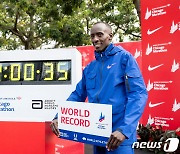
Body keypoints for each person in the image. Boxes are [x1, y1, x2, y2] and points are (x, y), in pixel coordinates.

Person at [50, 22, 148, 154]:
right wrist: (59, 117)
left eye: (99, 34)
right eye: (92, 36)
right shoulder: (90, 67)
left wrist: (124, 130)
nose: (95, 39)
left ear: (110, 36)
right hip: (96, 135)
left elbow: (138, 94)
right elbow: (77, 95)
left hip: (118, 136)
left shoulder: (124, 58)